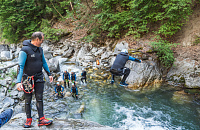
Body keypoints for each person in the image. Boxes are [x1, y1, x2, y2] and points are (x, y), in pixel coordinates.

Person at [16, 32, 53, 128]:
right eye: (42, 40)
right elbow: (21, 66)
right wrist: (18, 81)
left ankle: (41, 119)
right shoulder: (24, 50)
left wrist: (49, 74)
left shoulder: (40, 49)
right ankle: (28, 119)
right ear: (37, 39)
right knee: (28, 100)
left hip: (39, 77)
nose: (42, 41)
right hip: (27, 79)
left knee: (39, 98)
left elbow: (44, 62)